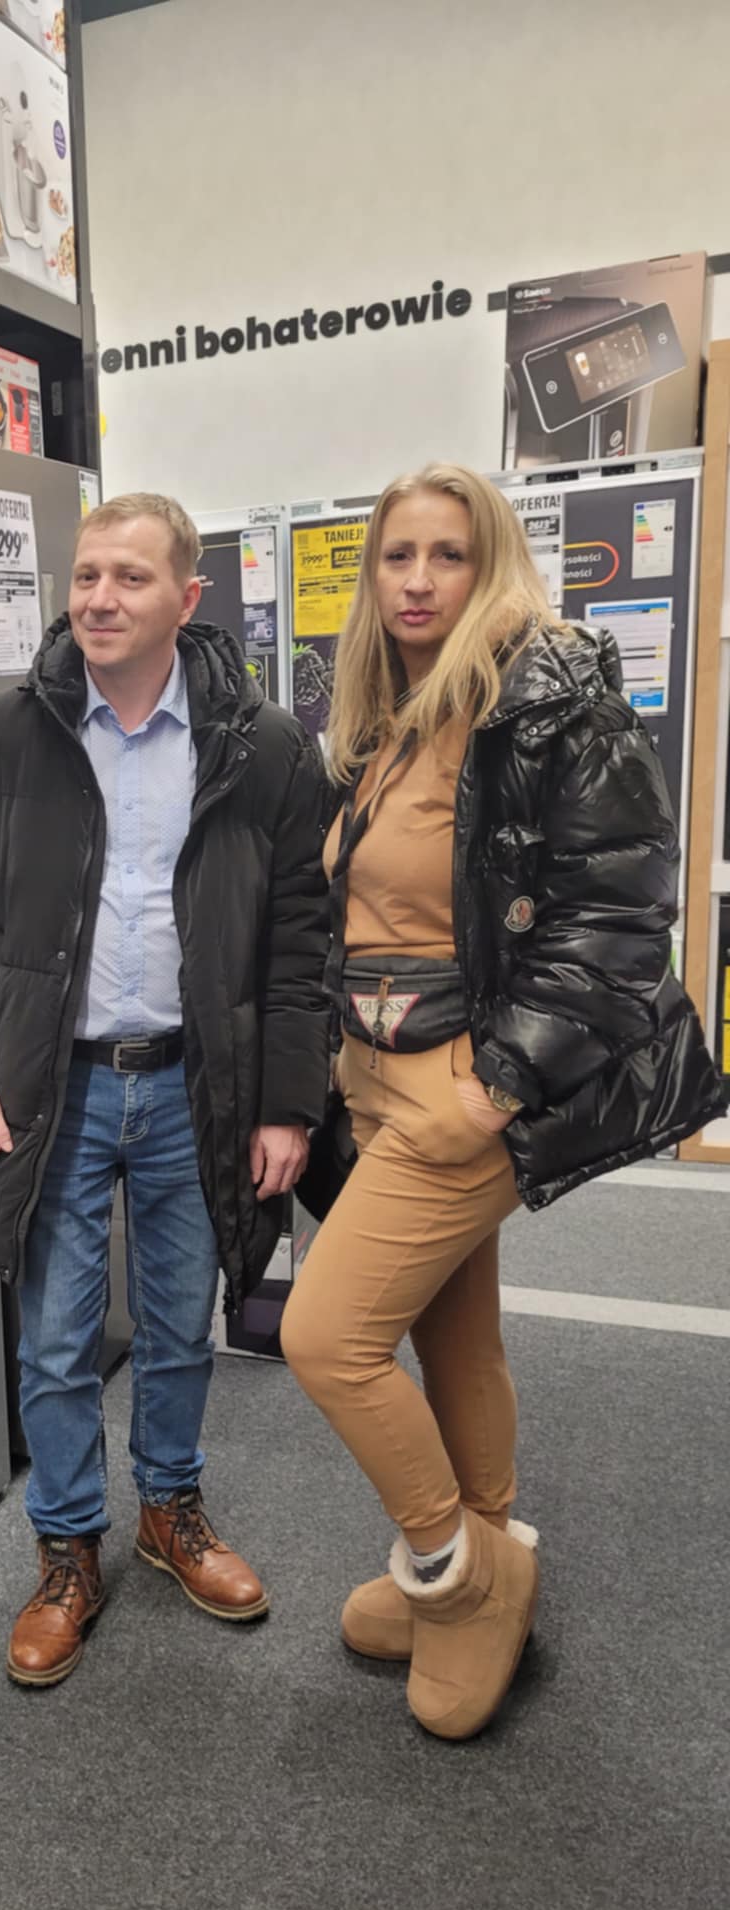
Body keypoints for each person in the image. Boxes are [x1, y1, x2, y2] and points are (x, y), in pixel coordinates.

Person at [280, 463, 723, 1742]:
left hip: (465, 1088)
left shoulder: (549, 701)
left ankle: (458, 1576)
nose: (418, 580)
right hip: (377, 1074)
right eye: (397, 555)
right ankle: (486, 1542)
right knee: (452, 1335)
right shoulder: (387, 714)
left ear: (494, 565)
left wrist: (498, 1087)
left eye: (449, 554)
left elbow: (621, 919)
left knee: (327, 1336)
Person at [0, 492, 330, 1686]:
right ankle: (65, 1549)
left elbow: (302, 936)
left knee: (182, 1323)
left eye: (130, 578)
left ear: (186, 598)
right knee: (55, 1339)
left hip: (201, 1081)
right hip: (57, 1085)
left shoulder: (260, 746)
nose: (99, 597)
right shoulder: (2, 738)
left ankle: (169, 1509)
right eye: (87, 573)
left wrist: (287, 1100)